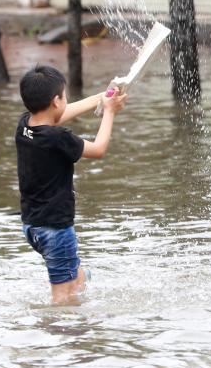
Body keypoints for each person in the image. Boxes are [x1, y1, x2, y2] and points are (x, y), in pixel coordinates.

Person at [15, 64, 127, 305]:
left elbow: (59, 114)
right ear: (56, 100)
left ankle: (77, 331)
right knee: (62, 298)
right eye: (64, 97)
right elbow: (98, 150)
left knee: (77, 282)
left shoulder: (24, 125)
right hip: (56, 230)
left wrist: (102, 97)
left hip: (33, 226)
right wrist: (110, 113)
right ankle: (57, 338)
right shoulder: (58, 137)